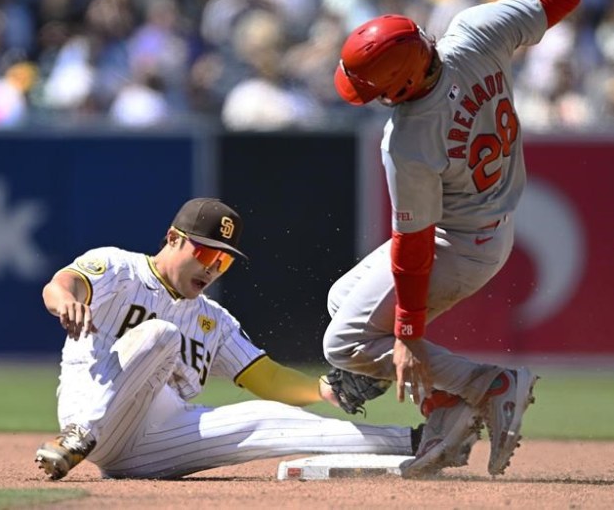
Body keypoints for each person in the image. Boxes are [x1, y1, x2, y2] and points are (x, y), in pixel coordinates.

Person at [323, 0, 580, 478]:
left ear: (400, 83)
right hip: (489, 224)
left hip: (455, 243)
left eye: (371, 88)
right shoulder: (471, 32)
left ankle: (486, 386)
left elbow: (412, 247)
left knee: (345, 345)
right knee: (341, 301)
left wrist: (409, 336)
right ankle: (445, 410)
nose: (369, 96)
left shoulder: (409, 137)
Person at [35, 197, 421, 481]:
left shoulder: (213, 320)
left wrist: (324, 391)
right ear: (173, 238)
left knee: (272, 419)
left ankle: (418, 443)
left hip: (151, 444)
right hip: (87, 406)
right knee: (161, 335)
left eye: (223, 261)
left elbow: (266, 378)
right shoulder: (120, 269)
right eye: (205, 253)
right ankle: (81, 435)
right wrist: (65, 301)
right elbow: (60, 284)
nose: (212, 268)